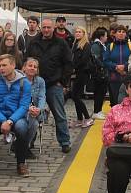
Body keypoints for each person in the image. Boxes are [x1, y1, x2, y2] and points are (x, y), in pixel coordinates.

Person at [0, 55, 34, 176]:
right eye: (0, 66)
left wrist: (10, 121)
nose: (1, 68)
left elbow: (24, 106)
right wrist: (3, 120)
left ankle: (21, 163)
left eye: (4, 65)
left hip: (17, 117)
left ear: (13, 65)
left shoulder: (24, 83)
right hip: (0, 116)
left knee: (21, 128)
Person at [28, 18, 73, 153]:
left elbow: (68, 63)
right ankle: (29, 141)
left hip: (54, 84)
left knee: (59, 114)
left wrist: (63, 82)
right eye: (44, 27)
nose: (46, 30)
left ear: (53, 28)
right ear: (41, 28)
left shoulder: (61, 43)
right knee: (32, 113)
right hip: (35, 84)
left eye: (49, 27)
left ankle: (65, 142)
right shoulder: (34, 42)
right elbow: (27, 60)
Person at [22, 57, 47, 158]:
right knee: (34, 123)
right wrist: (29, 108)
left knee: (35, 120)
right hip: (23, 110)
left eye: (35, 67)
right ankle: (24, 146)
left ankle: (21, 145)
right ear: (24, 68)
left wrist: (39, 109)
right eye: (30, 66)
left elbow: (42, 96)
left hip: (36, 111)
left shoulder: (40, 81)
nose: (32, 68)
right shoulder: (19, 80)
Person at [104, 25, 131, 107]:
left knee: (126, 102)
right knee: (115, 102)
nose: (121, 33)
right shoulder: (110, 46)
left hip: (127, 79)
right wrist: (116, 67)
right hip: (114, 79)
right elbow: (106, 60)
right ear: (115, 34)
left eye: (123, 32)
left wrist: (125, 67)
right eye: (119, 31)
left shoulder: (130, 46)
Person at [71, 26, 93, 127]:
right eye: (76, 32)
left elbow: (84, 60)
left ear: (84, 34)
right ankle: (80, 119)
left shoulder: (86, 45)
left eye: (80, 32)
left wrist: (74, 67)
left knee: (76, 96)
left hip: (82, 73)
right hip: (77, 73)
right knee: (75, 96)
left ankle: (88, 118)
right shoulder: (75, 44)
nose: (78, 33)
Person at [90, 27, 109, 120]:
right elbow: (96, 59)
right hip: (98, 74)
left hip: (102, 73)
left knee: (102, 92)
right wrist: (103, 66)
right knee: (98, 93)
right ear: (101, 37)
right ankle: (96, 111)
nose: (107, 37)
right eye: (106, 36)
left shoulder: (101, 45)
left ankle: (99, 110)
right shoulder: (96, 45)